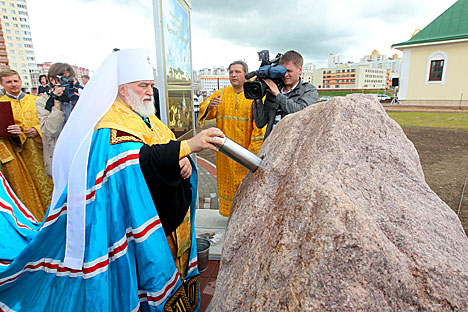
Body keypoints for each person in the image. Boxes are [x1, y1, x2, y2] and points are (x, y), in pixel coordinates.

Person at [0, 49, 224, 311]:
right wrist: (186, 148)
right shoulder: (110, 122)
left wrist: (181, 158)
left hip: (163, 216)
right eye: (143, 86)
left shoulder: (145, 115)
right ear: (122, 89)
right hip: (129, 222)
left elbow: (163, 144)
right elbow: (131, 159)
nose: (149, 91)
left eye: (150, 85)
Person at [198, 60, 265, 217]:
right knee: (227, 190)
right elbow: (205, 109)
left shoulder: (254, 95)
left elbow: (259, 126)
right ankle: (230, 222)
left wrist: (252, 154)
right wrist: (210, 105)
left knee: (246, 192)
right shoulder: (222, 93)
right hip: (225, 154)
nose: (233, 75)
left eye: (237, 72)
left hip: (245, 154)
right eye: (231, 72)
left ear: (246, 75)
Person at [0, 69, 53, 221]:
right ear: (2, 84)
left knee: (47, 185)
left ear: (21, 82)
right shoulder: (2, 104)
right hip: (19, 155)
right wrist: (13, 133)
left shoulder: (36, 100)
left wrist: (37, 130)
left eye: (15, 81)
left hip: (41, 152)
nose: (13, 85)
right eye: (9, 82)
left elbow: (48, 122)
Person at [253, 50, 319, 139]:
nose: (285, 75)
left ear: (299, 70)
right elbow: (260, 123)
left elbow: (302, 114)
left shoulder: (308, 90)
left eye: (289, 71)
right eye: (282, 71)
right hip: (270, 146)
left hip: (291, 146)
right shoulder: (273, 90)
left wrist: (278, 95)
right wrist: (258, 98)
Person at [35, 63, 78, 177]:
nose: (67, 83)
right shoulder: (43, 101)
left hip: (78, 154)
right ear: (52, 80)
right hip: (58, 156)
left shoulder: (77, 97)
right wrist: (57, 105)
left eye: (70, 79)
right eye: (63, 79)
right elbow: (50, 130)